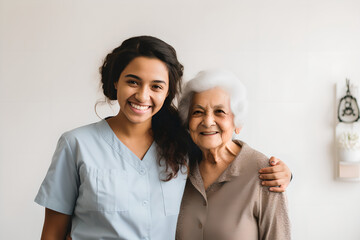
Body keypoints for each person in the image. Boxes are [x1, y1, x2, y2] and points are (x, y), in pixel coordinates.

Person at [35, 36, 291, 240]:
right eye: (133, 82)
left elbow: (226, 154)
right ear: (116, 82)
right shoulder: (76, 144)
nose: (143, 96)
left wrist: (284, 172)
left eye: (156, 86)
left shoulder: (182, 144)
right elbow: (53, 233)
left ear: (168, 92)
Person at [176, 69, 291, 240]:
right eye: (197, 112)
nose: (207, 122)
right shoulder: (178, 169)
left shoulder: (265, 173)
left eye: (219, 112)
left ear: (237, 123)